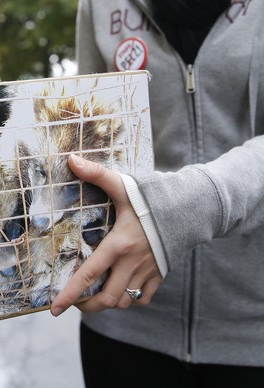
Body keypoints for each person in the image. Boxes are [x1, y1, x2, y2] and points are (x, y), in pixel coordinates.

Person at [50, 0, 264, 387]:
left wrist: (179, 212)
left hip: (252, 332)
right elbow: (89, 143)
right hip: (123, 321)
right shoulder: (99, 6)